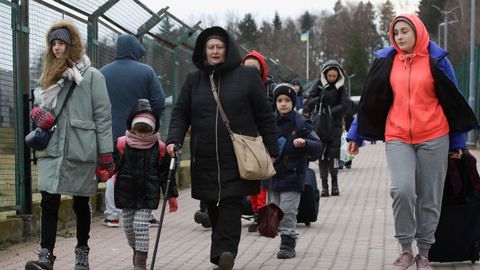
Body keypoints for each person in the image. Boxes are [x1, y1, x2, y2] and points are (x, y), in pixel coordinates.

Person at [347, 14, 477, 270]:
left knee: (430, 197)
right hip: (397, 136)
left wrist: (458, 143)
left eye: (405, 31)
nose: (400, 37)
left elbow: (454, 100)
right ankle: (406, 249)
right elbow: (370, 100)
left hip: (434, 136)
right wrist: (355, 135)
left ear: (418, 31)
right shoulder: (386, 61)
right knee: (402, 190)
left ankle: (424, 253)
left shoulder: (437, 61)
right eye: (396, 33)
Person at [166, 26, 278, 270]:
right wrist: (173, 140)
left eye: (219, 47)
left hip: (237, 155)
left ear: (227, 50)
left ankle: (226, 251)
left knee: (230, 202)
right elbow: (180, 113)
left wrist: (273, 146)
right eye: (210, 47)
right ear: (203, 51)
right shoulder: (194, 79)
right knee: (213, 205)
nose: (215, 52)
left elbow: (264, 114)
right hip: (204, 155)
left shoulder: (246, 76)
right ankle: (221, 252)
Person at [25, 20, 114, 270]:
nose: (56, 48)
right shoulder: (48, 74)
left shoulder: (93, 76)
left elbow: (103, 116)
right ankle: (46, 255)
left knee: (80, 202)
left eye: (61, 43)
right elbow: (41, 102)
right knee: (48, 200)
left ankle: (82, 252)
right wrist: (37, 112)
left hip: (80, 147)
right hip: (53, 148)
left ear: (71, 45)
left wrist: (106, 152)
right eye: (53, 43)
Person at [99, 99, 178, 270]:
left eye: (146, 131)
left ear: (153, 129)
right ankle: (137, 251)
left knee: (140, 224)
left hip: (148, 194)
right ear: (132, 127)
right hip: (126, 192)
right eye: (139, 130)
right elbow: (114, 165)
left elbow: (166, 175)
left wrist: (171, 195)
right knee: (128, 227)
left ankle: (140, 263)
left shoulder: (160, 148)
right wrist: (105, 171)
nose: (142, 135)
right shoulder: (122, 144)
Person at [100, 34, 166, 228]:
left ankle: (112, 215)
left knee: (114, 172)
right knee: (145, 171)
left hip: (110, 130)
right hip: (141, 131)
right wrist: (150, 120)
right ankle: (145, 214)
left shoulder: (103, 72)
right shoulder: (146, 71)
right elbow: (159, 101)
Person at [269, 83, 322, 259]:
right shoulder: (269, 123)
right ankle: (277, 232)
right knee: (274, 211)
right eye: (279, 100)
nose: (283, 103)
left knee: (288, 211)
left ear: (293, 102)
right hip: (272, 176)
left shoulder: (301, 123)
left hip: (292, 175)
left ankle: (288, 243)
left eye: (287, 100)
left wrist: (305, 143)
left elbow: (317, 145)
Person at [304, 60, 350, 197]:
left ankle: (335, 183)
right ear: (325, 74)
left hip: (334, 125)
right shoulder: (318, 84)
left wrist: (331, 111)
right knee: (322, 155)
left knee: (334, 155)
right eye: (329, 76)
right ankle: (324, 185)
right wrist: (319, 100)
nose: (332, 78)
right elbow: (309, 102)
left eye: (334, 76)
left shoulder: (341, 87)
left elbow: (345, 104)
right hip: (319, 125)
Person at [242, 50, 271, 232]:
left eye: (255, 67)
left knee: (265, 183)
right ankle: (256, 214)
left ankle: (265, 216)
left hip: (265, 140)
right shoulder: (238, 88)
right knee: (252, 182)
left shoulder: (270, 89)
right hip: (247, 140)